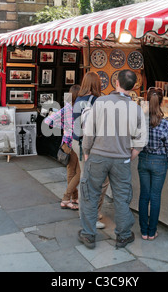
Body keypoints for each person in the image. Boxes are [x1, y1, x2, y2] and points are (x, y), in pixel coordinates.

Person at [78, 69, 147, 249]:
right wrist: (130, 156)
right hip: (122, 159)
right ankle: (123, 236)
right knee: (122, 198)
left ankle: (88, 234)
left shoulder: (101, 102)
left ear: (116, 82)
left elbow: (89, 131)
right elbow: (141, 140)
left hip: (98, 156)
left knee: (89, 195)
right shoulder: (136, 109)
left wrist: (86, 152)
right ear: (133, 88)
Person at [72, 72, 108, 229]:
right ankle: (90, 215)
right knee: (96, 182)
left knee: (87, 180)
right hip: (87, 144)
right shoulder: (95, 101)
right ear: (96, 84)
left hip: (77, 142)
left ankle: (87, 213)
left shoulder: (78, 99)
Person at [138, 87, 168, 241]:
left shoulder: (141, 121)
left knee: (144, 196)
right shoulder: (165, 124)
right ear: (161, 101)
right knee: (155, 197)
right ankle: (152, 232)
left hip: (143, 158)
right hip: (159, 161)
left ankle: (143, 231)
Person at [44, 85, 81, 211]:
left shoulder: (66, 108)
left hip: (66, 143)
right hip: (75, 143)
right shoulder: (80, 108)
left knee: (71, 171)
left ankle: (74, 198)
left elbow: (47, 121)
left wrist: (63, 126)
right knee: (79, 173)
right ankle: (66, 199)